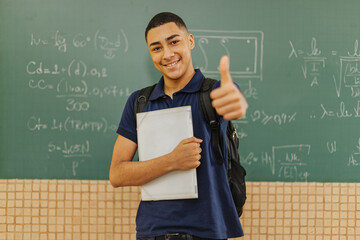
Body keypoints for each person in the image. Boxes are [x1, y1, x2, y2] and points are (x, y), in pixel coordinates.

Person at [109, 12, 248, 240]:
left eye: (174, 42)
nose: (167, 54)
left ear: (190, 41)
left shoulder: (214, 93)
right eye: (156, 48)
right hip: (153, 232)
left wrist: (235, 99)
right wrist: (172, 161)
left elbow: (233, 100)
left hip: (208, 232)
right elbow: (117, 174)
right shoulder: (139, 102)